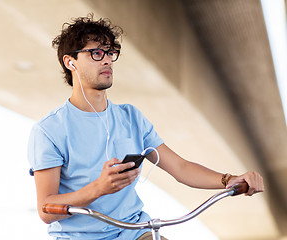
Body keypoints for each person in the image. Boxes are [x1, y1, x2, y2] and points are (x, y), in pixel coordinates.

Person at [27, 13, 264, 240]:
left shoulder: (131, 117)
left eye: (110, 52)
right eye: (96, 53)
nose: (108, 59)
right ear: (71, 62)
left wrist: (229, 179)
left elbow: (180, 168)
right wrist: (99, 188)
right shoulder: (49, 130)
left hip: (135, 232)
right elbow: (46, 209)